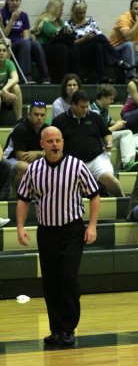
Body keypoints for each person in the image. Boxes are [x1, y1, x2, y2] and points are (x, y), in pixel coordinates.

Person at [16, 126, 100, 347]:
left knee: (68, 277)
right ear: (42, 145)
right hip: (46, 232)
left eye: (58, 140)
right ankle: (56, 330)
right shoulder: (33, 170)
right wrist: (20, 227)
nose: (55, 144)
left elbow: (94, 196)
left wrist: (92, 226)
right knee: (51, 282)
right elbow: (23, 199)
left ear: (63, 142)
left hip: (72, 230)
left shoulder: (77, 166)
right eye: (50, 141)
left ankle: (69, 328)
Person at [52, 90, 124, 197]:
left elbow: (106, 133)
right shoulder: (59, 121)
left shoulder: (94, 116)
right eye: (82, 107)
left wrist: (109, 142)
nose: (86, 109)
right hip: (71, 163)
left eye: (87, 106)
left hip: (96, 159)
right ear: (73, 105)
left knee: (112, 181)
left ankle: (124, 203)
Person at [67, 0, 129, 83]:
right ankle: (119, 60)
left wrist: (93, 38)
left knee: (99, 45)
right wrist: (83, 39)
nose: (83, 15)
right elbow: (71, 43)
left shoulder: (90, 20)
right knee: (100, 38)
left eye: (84, 12)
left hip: (92, 50)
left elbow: (98, 34)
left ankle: (103, 77)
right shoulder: (69, 24)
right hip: (80, 51)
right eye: (80, 13)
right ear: (75, 13)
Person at [91, 83, 138, 171]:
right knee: (127, 133)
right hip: (99, 141)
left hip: (106, 139)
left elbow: (108, 122)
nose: (112, 102)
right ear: (103, 97)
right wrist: (117, 126)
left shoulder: (104, 109)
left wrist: (118, 122)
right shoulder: (94, 111)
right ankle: (127, 163)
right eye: (110, 99)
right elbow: (100, 133)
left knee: (134, 136)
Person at [0, 0, 49, 83]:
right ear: (7, 1)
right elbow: (2, 36)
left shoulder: (23, 15)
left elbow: (26, 36)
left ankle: (46, 77)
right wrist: (12, 20)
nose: (15, 2)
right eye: (12, 0)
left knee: (35, 44)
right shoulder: (2, 14)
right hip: (8, 45)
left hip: (21, 44)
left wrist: (29, 38)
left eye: (17, 0)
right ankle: (26, 77)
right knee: (25, 44)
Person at [33, 0, 80, 83]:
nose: (62, 12)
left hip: (56, 45)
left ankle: (74, 77)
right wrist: (64, 33)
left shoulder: (60, 21)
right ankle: (62, 78)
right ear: (55, 10)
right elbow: (53, 34)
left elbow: (62, 36)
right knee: (62, 48)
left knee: (74, 49)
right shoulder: (45, 21)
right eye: (61, 10)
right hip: (44, 48)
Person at [5, 100, 47, 190]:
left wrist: (38, 153)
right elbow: (22, 157)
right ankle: (19, 199)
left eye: (42, 115)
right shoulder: (20, 129)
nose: (39, 118)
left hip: (33, 160)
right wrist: (43, 154)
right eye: (36, 114)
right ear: (29, 115)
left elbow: (52, 153)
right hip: (9, 160)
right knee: (25, 167)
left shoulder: (47, 129)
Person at [109, 0, 138, 75]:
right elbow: (128, 37)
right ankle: (131, 76)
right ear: (130, 9)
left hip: (132, 55)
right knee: (129, 44)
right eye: (136, 9)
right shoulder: (124, 18)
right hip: (117, 54)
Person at [0, 40, 22, 121]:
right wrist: (2, 92)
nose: (2, 53)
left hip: (5, 94)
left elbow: (16, 78)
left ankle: (19, 120)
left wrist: (5, 89)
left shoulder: (8, 63)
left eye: (4, 50)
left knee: (16, 87)